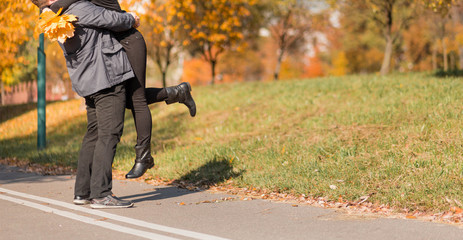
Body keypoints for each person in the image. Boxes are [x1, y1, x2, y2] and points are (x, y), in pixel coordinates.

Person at [48, 0, 196, 180]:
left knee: (137, 99)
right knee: (126, 100)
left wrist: (130, 17)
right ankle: (177, 92)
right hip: (114, 46)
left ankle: (143, 157)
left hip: (129, 41)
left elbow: (110, 13)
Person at [31, 0, 141, 208]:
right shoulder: (77, 8)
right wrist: (132, 18)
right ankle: (101, 194)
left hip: (89, 81)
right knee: (109, 134)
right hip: (106, 76)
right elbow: (111, 18)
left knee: (94, 134)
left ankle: (82, 192)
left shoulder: (50, 17)